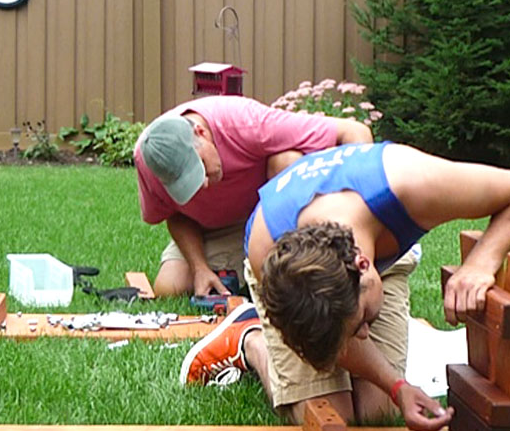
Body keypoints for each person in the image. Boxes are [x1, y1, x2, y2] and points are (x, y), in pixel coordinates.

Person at [179, 141, 510, 431]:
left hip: (385, 245)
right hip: (288, 278)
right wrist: (392, 379)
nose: (363, 335)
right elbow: (333, 333)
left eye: (360, 325)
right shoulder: (272, 257)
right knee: (331, 420)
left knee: (377, 415)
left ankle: (284, 340)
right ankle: (252, 341)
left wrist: (481, 264)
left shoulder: (411, 184)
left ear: (364, 267)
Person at [134, 96, 373, 298]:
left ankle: (294, 261)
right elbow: (173, 214)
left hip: (269, 217)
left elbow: (354, 131)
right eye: (187, 182)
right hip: (211, 229)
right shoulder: (151, 159)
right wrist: (199, 268)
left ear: (201, 132)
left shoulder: (247, 123)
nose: (203, 184)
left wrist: (356, 231)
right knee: (168, 287)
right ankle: (245, 267)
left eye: (201, 167)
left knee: (287, 161)